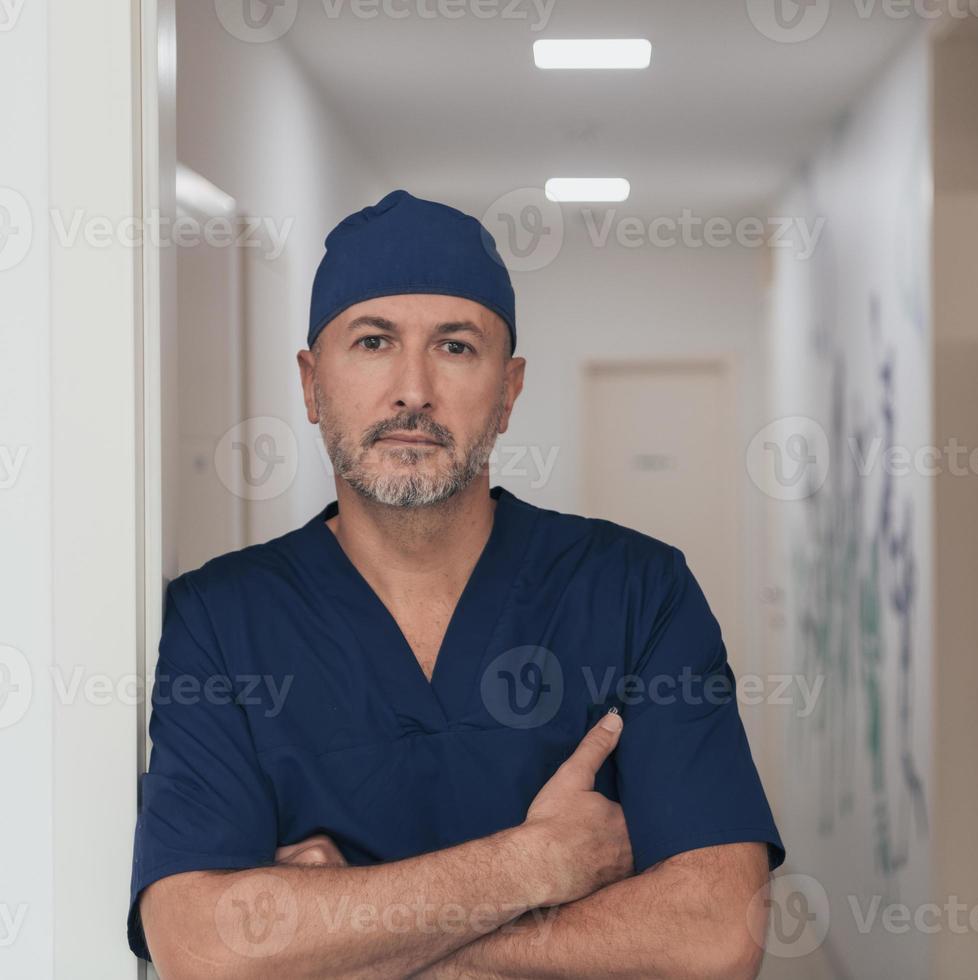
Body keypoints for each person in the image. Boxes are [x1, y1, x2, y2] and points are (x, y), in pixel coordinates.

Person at [128, 189, 785, 978]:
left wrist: (358, 939)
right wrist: (532, 868)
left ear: (508, 392)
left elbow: (714, 937)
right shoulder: (222, 620)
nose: (413, 390)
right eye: (373, 342)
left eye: (456, 347)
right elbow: (202, 950)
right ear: (311, 384)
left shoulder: (638, 593)